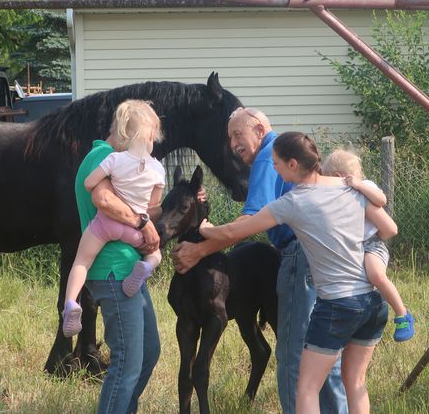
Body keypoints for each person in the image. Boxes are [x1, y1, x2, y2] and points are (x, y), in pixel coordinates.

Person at [198, 132, 398, 414]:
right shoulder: (349, 186)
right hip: (372, 303)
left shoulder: (292, 203)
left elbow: (234, 231)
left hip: (337, 305)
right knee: (356, 383)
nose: (274, 170)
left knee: (305, 386)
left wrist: (206, 229)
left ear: (293, 164)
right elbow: (389, 230)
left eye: (276, 164)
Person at [171, 107, 347, 414]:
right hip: (323, 256)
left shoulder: (269, 156)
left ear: (259, 130)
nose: (233, 144)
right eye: (229, 138)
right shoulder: (277, 155)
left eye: (238, 134)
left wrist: (200, 250)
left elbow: (250, 221)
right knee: (321, 349)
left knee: (293, 354)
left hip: (299, 256)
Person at [69, 99, 163, 413]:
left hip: (127, 267)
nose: (148, 144)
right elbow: (103, 198)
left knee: (148, 352)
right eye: (146, 136)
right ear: (126, 132)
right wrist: (142, 223)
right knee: (127, 361)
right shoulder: (104, 156)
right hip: (112, 271)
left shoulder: (119, 160)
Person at [321, 149, 414, 342]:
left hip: (372, 244)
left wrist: (357, 185)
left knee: (376, 275)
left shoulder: (364, 186)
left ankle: (402, 314)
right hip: (354, 246)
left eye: (328, 179)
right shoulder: (338, 198)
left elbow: (382, 200)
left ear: (340, 177)